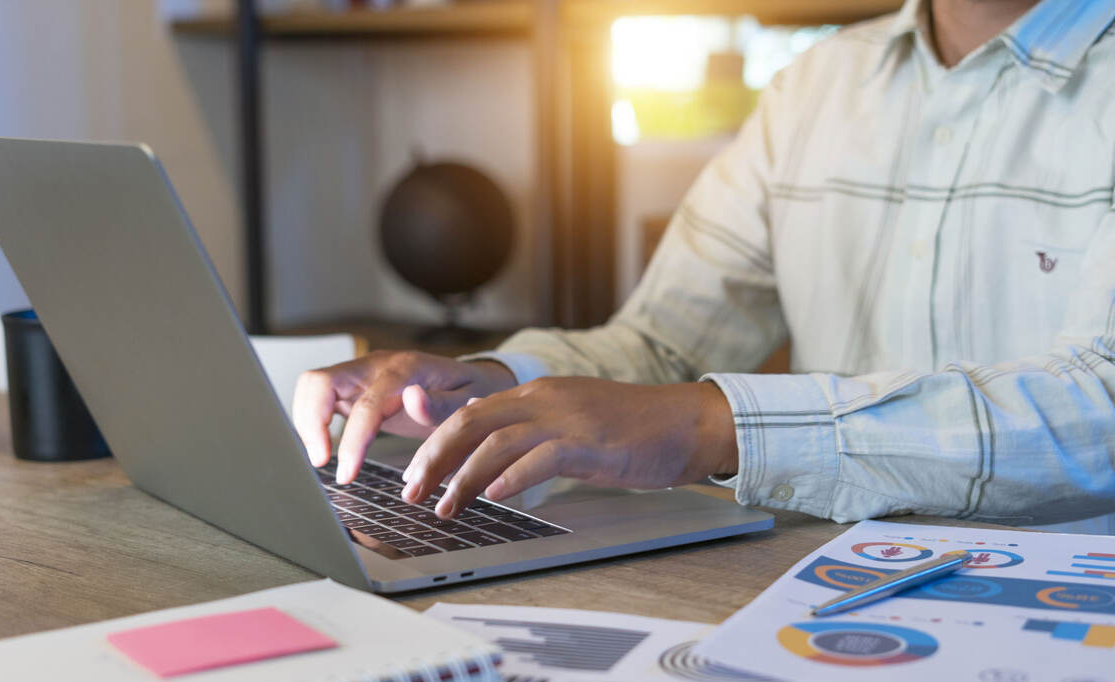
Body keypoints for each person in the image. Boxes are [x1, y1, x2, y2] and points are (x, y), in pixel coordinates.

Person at [293, 0, 1115, 531]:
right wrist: (488, 390)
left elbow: (1101, 411)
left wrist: (713, 425)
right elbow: (663, 347)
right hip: (826, 583)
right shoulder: (815, 88)